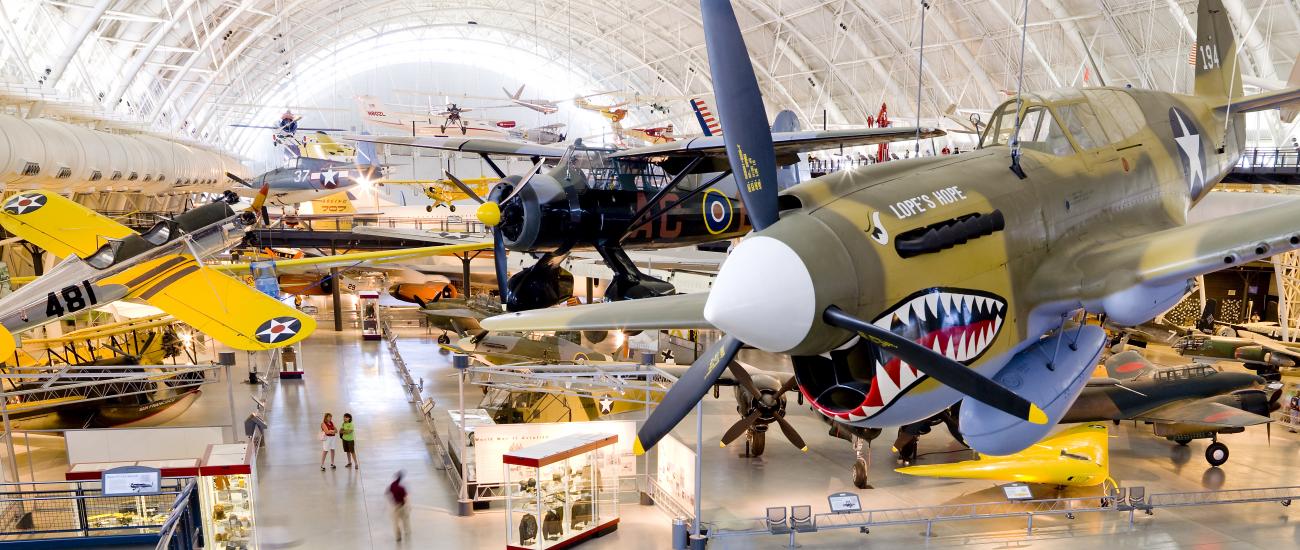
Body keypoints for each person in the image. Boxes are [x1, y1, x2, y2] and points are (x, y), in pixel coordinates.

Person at [388, 471, 411, 541]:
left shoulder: (392, 485)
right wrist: (408, 506)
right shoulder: (402, 488)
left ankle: (398, 536)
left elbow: (389, 493)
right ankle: (407, 530)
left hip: (395, 506)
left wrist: (391, 501)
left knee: (396, 522)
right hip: (402, 506)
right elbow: (406, 498)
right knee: (405, 519)